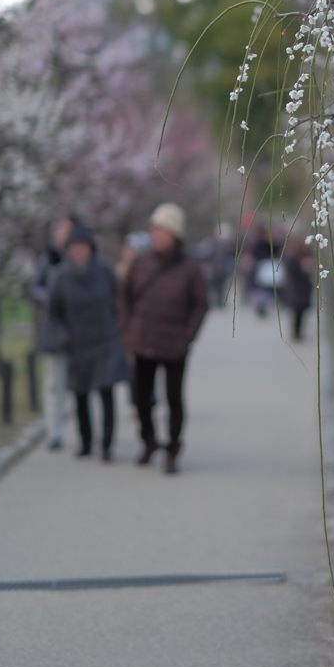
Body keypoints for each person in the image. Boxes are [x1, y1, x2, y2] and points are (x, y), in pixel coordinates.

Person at [119, 202, 209, 474]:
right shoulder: (141, 262)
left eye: (162, 230)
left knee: (173, 399)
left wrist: (187, 336)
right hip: (142, 341)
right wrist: (126, 328)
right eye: (154, 230)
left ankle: (172, 449)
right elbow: (123, 297)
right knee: (142, 397)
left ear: (175, 234)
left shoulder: (190, 268)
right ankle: (148, 441)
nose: (156, 235)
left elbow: (201, 303)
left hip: (174, 345)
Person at [49, 223, 130, 461]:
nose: (79, 251)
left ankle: (107, 444)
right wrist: (63, 334)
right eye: (74, 247)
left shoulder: (105, 271)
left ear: (91, 248)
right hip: (77, 342)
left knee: (106, 390)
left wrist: (120, 329)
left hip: (105, 340)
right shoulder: (61, 277)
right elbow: (54, 313)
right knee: (80, 394)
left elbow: (120, 302)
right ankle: (85, 441)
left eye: (83, 246)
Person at [29, 216, 75, 450]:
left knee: (79, 385)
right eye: (60, 230)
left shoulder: (82, 256)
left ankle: (82, 433)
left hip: (80, 331)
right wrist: (47, 297)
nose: (63, 234)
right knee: (54, 384)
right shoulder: (48, 258)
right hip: (54, 330)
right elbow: (34, 287)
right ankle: (54, 433)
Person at [282, 241, 313, 340]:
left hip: (301, 291)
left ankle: (298, 332)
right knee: (297, 313)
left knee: (300, 313)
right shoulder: (292, 261)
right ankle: (296, 332)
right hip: (297, 291)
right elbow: (301, 274)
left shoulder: (296, 260)